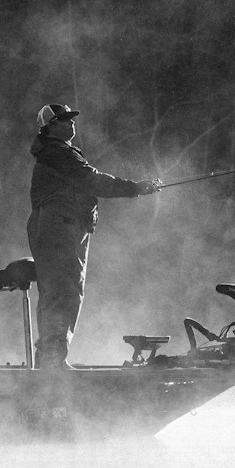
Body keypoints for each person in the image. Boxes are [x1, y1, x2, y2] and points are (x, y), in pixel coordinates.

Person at [26, 103, 159, 369]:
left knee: (54, 291)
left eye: (72, 119)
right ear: (49, 127)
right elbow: (92, 180)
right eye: (64, 120)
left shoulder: (52, 153)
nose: (71, 123)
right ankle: (53, 360)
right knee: (65, 290)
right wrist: (135, 188)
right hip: (61, 227)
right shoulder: (59, 153)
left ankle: (48, 358)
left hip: (52, 226)